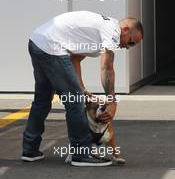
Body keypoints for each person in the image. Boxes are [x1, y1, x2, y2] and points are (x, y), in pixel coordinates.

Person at [22, 10, 143, 166]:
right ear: (125, 30)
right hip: (51, 46)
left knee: (43, 99)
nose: (128, 47)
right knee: (75, 101)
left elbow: (75, 59)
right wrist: (112, 102)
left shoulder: (100, 29)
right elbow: (107, 67)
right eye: (131, 42)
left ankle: (30, 150)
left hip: (37, 42)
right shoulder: (112, 31)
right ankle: (81, 153)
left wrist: (83, 90)